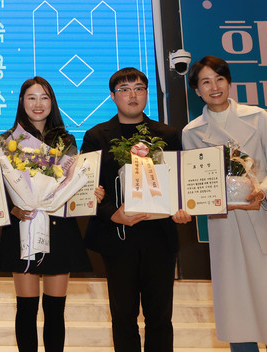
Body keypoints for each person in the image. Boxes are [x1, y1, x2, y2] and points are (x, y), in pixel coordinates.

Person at [181, 56, 267, 352]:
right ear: (197, 90)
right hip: (227, 223)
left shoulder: (257, 117)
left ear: (229, 82)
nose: (214, 87)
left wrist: (263, 191)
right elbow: (196, 182)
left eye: (219, 79)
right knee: (237, 301)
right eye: (206, 82)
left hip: (266, 215)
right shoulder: (192, 132)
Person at [81, 67, 190, 352]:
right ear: (113, 96)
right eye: (125, 89)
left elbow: (179, 181)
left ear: (146, 94)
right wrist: (112, 213)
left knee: (160, 317)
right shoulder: (96, 136)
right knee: (123, 317)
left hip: (159, 237)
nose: (133, 95)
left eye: (139, 88)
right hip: (117, 237)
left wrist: (183, 206)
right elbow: (86, 187)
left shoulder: (167, 134)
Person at [0, 77, 104, 352]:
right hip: (23, 225)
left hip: (59, 228)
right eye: (31, 97)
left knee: (55, 309)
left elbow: (73, 185)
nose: (38, 104)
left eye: (44, 97)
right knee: (26, 308)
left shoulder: (67, 141)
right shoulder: (8, 141)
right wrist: (14, 208)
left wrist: (91, 193)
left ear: (52, 102)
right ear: (21, 101)